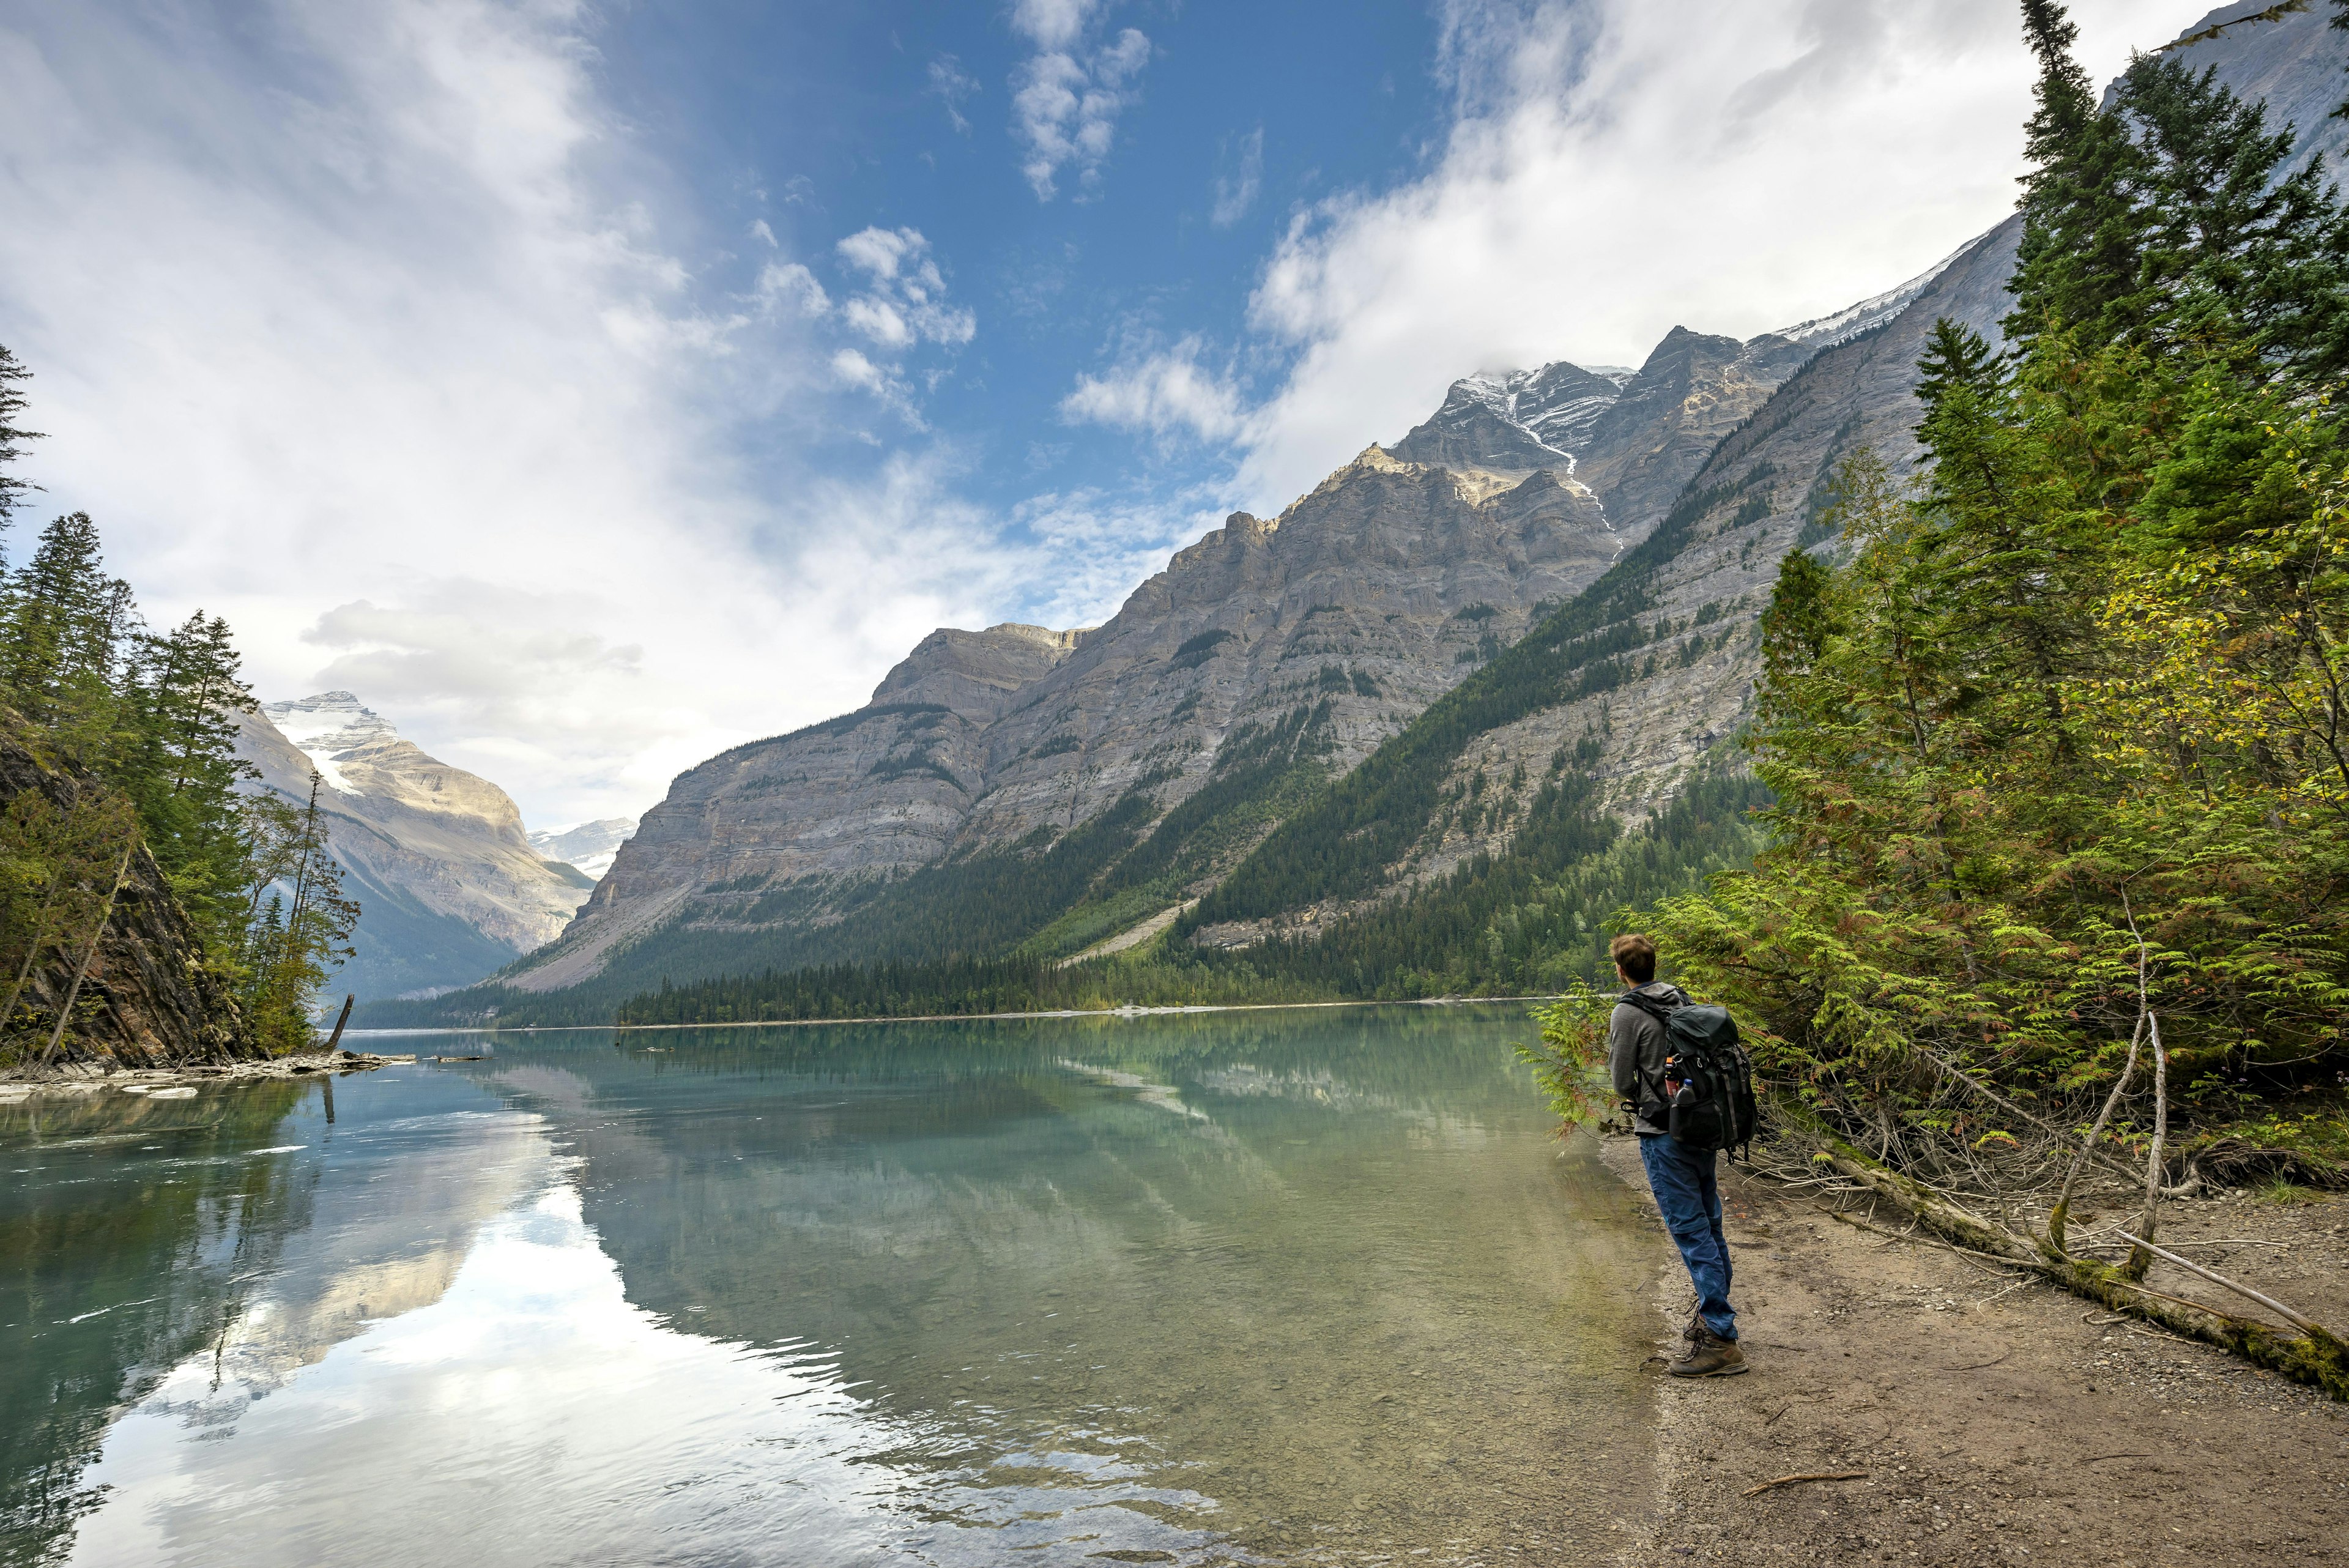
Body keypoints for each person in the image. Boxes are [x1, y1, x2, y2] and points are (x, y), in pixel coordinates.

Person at [1606, 932, 1746, 1378]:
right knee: (1709, 1223)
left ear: (1622, 970)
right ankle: (1714, 1320)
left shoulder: (1627, 1011)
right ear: (1653, 964)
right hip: (1700, 1126)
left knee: (1691, 1231)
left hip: (1664, 1134)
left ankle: (1722, 1340)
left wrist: (1645, 1099)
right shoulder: (1678, 998)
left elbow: (1619, 1080)